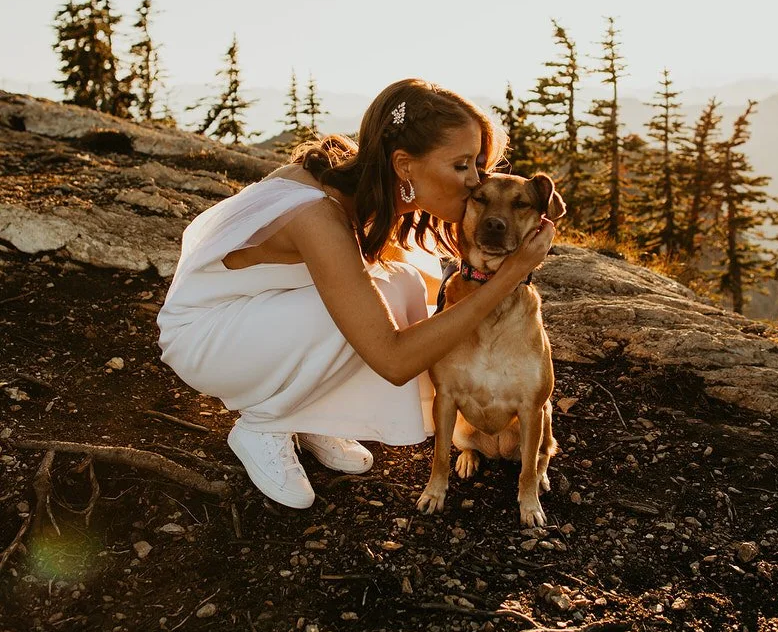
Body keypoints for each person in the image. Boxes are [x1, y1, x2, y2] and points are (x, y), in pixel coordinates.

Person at [157, 78, 556, 509]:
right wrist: (510, 275)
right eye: (461, 166)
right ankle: (264, 424)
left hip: (260, 320)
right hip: (208, 338)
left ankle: (308, 412)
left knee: (401, 284)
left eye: (477, 164)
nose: (475, 181)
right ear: (405, 165)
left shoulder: (371, 188)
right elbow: (394, 359)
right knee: (355, 315)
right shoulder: (315, 214)